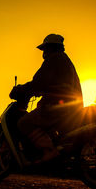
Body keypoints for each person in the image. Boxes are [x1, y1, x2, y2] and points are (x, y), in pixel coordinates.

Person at [10, 34, 83, 164]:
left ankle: (49, 150)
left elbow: (38, 82)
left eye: (45, 49)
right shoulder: (64, 60)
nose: (44, 52)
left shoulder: (54, 60)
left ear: (50, 48)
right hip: (71, 106)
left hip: (58, 107)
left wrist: (20, 89)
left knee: (23, 123)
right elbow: (47, 84)